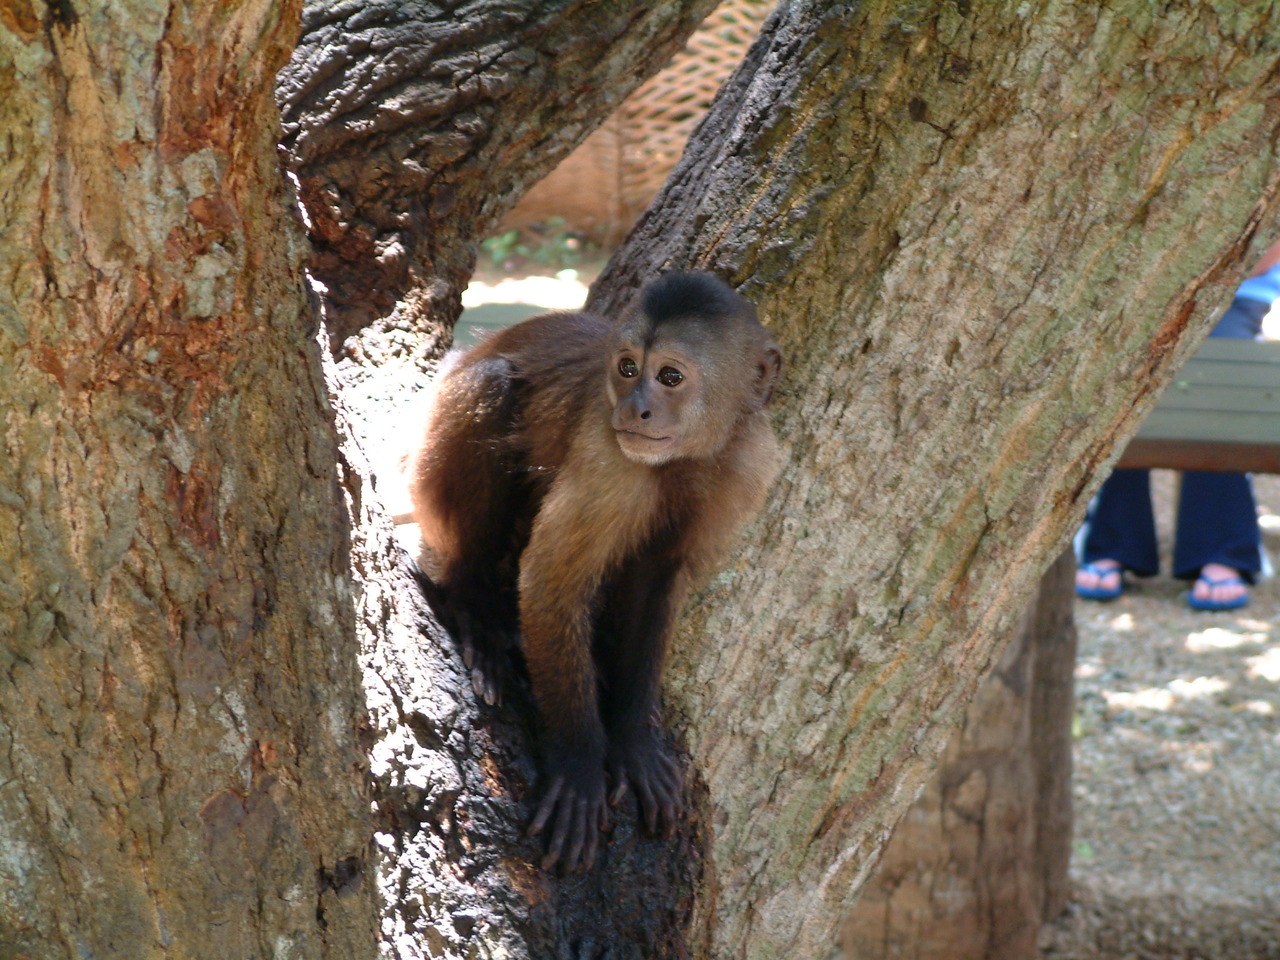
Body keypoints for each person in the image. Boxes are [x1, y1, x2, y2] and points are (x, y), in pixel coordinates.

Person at [1077, 244, 1280, 611]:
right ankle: (1112, 542)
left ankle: (1223, 549)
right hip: (1140, 289)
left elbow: (1266, 249)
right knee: (1121, 375)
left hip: (1236, 294)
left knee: (1218, 378)